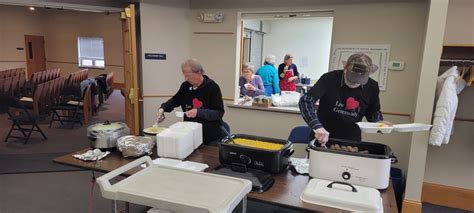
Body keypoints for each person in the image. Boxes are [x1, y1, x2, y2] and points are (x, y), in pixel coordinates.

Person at [299, 53, 390, 145]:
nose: (354, 83)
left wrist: (379, 123)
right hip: (322, 137)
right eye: (352, 78)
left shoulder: (372, 87)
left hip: (351, 141)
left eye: (359, 80)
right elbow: (306, 101)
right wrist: (317, 126)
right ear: (345, 68)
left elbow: (373, 112)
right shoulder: (329, 79)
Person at [156, 58, 224, 145]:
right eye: (184, 75)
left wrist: (198, 112)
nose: (186, 79)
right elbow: (175, 100)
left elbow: (218, 112)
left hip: (209, 137)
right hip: (190, 134)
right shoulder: (185, 86)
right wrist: (162, 109)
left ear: (199, 72)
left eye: (188, 76)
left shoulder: (212, 87)